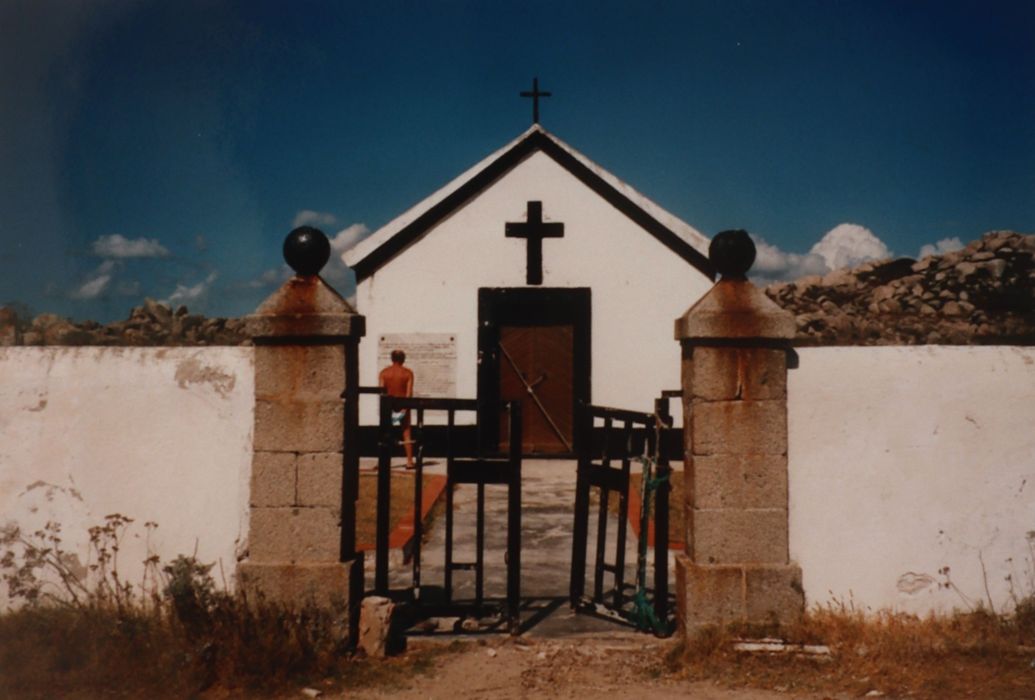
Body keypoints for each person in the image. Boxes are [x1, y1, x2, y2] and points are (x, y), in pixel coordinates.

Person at [379, 349, 415, 468]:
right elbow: (409, 394)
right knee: (406, 433)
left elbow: (381, 392)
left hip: (388, 404)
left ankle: (383, 461)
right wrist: (405, 408)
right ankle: (409, 461)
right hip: (402, 404)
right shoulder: (408, 373)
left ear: (392, 358)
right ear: (403, 359)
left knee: (385, 433)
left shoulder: (384, 373)